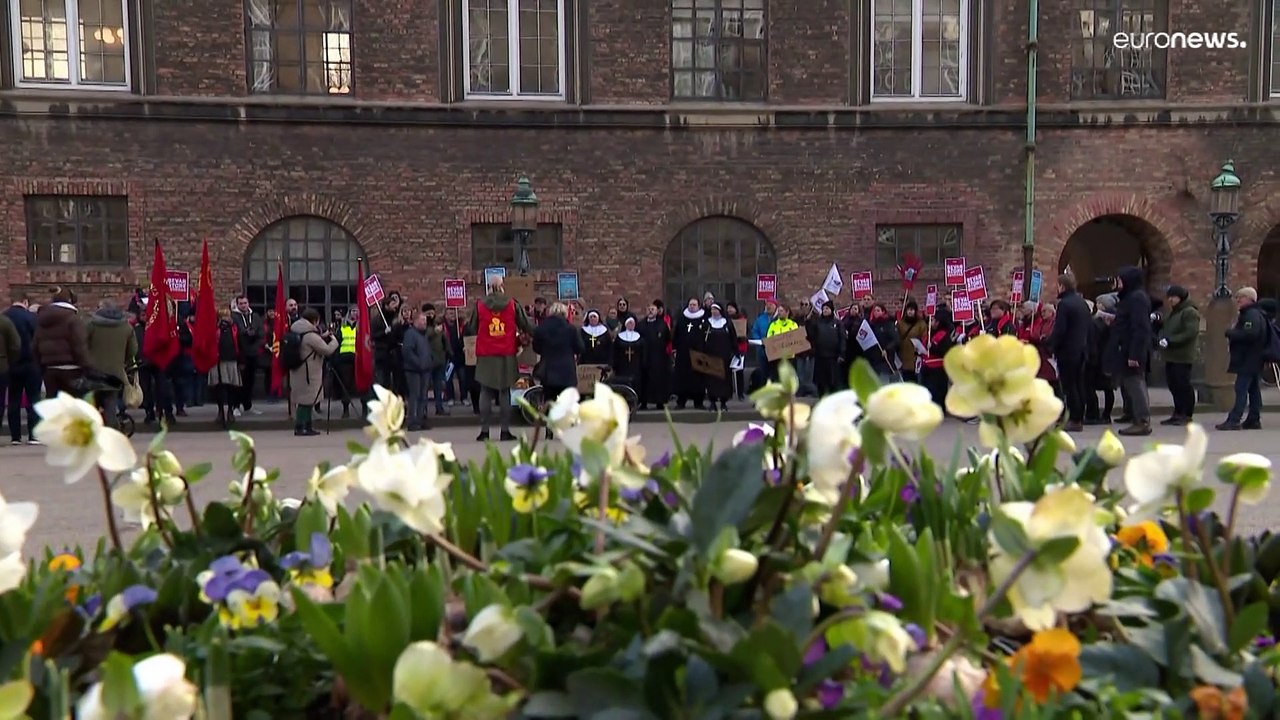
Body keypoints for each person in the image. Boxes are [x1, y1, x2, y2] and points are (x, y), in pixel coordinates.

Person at [466, 275, 534, 442]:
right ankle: (504, 430)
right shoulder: (512, 304)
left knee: (485, 391)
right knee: (504, 392)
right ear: (502, 286)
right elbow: (526, 325)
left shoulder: (480, 305)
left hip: (486, 353)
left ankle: (484, 431)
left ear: (489, 287)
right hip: (506, 353)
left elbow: (471, 327)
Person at [1105, 266, 1154, 436]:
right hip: (1124, 348)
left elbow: (1140, 328)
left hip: (1131, 350)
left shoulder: (1137, 298)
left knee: (1135, 384)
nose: (1117, 283)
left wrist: (1134, 354)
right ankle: (1136, 417)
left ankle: (1142, 421)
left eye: (1119, 279)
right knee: (1131, 384)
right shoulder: (1130, 298)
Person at [1217, 286, 1268, 431]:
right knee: (1253, 389)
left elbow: (1250, 334)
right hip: (1253, 359)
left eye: (1241, 297)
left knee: (1241, 389)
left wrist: (1231, 333)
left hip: (1248, 359)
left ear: (1250, 299)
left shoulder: (1251, 315)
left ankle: (1234, 419)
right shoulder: (1254, 313)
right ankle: (1254, 419)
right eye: (1237, 297)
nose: (1238, 300)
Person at [532, 302, 583, 439]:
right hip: (566, 369)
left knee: (549, 399)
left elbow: (536, 347)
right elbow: (580, 347)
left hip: (549, 369)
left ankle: (549, 430)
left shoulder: (541, 328)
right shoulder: (570, 329)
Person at [1047, 274, 1092, 432]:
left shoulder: (1064, 304)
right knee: (1078, 384)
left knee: (1069, 386)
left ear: (1062, 286)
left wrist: (1051, 345)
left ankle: (1074, 418)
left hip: (1067, 351)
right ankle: (1079, 416)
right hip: (1081, 349)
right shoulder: (1082, 303)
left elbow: (1060, 329)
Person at [85, 299, 136, 429]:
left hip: (93, 373)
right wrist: (122, 361)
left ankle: (92, 432)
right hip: (115, 374)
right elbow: (133, 350)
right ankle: (112, 433)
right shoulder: (126, 327)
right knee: (110, 405)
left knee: (92, 406)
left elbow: (82, 345)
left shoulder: (91, 325)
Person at [288, 307, 340, 437]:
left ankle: (305, 426)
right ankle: (302, 427)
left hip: (298, 370)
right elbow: (326, 350)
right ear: (315, 320)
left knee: (303, 399)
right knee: (307, 400)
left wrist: (322, 336)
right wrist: (334, 340)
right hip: (309, 372)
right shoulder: (310, 335)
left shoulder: (297, 330)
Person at [33, 285, 91, 397]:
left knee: (54, 404)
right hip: (72, 369)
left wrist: (40, 367)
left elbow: (35, 346)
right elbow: (79, 346)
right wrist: (87, 366)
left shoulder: (41, 320)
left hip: (49, 369)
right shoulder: (74, 319)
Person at [1157, 285, 1201, 427]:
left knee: (1183, 385)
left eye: (1173, 297)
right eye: (1169, 297)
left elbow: (1190, 332)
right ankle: (1177, 412)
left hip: (1183, 355)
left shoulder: (1189, 312)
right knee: (1173, 385)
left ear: (1180, 297)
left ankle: (1186, 414)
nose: (1170, 300)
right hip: (1172, 355)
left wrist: (1171, 340)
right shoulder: (1174, 312)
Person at [4, 298, 39, 445]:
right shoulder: (31, 318)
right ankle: (33, 435)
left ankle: (15, 436)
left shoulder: (4, 316)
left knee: (13, 400)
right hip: (32, 364)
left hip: (11, 364)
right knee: (33, 400)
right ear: (25, 302)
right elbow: (37, 339)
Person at [208, 307, 243, 429]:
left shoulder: (234, 328)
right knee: (219, 388)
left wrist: (241, 359)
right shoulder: (215, 329)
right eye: (223, 316)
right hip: (217, 361)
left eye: (227, 316)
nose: (225, 318)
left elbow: (240, 342)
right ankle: (220, 411)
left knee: (232, 388)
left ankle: (230, 410)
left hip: (231, 360)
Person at [232, 295, 265, 417]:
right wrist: (246, 333)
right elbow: (237, 333)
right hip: (241, 353)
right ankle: (235, 406)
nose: (243, 306)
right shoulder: (234, 316)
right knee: (239, 381)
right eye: (241, 303)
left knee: (250, 381)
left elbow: (261, 333)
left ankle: (248, 405)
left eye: (245, 303)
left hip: (253, 353)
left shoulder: (255, 316)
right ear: (237, 305)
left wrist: (255, 342)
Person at [402, 311, 435, 432]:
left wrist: (430, 361)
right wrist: (419, 363)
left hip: (425, 370)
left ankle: (420, 419)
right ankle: (413, 421)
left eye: (425, 320)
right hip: (413, 370)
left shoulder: (423, 335)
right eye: (422, 320)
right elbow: (408, 352)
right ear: (415, 321)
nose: (425, 322)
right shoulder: (410, 334)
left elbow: (426, 351)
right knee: (414, 396)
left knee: (423, 396)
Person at [673, 297, 708, 409]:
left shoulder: (704, 318)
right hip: (683, 354)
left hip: (699, 353)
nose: (692, 306)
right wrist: (675, 348)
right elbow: (676, 334)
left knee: (698, 378)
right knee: (682, 378)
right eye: (690, 304)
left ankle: (698, 402)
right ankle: (681, 402)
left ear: (698, 306)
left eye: (694, 304)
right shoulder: (682, 318)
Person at [701, 304, 737, 411]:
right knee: (711, 380)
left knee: (724, 380)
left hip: (724, 357)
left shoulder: (727, 323)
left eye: (715, 309)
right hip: (710, 356)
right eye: (712, 310)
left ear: (720, 311)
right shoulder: (707, 323)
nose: (713, 311)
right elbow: (702, 339)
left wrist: (735, 352)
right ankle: (712, 402)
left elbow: (733, 338)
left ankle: (723, 403)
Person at [637, 302, 672, 411]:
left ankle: (660, 402)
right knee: (645, 380)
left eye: (653, 309)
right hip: (645, 357)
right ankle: (644, 402)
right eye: (649, 309)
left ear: (657, 311)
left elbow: (668, 339)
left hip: (659, 357)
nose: (651, 311)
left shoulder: (662, 325)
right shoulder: (641, 325)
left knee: (658, 380)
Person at [920, 309, 955, 408]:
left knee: (937, 391)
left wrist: (933, 348)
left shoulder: (944, 334)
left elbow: (945, 351)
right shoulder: (930, 333)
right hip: (926, 365)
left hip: (937, 367)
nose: (931, 322)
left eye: (933, 320)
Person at [810, 301, 846, 396]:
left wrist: (842, 353)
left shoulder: (838, 323)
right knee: (821, 381)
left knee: (833, 381)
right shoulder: (817, 322)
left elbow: (842, 338)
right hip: (820, 356)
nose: (825, 310)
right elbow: (812, 336)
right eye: (824, 309)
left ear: (831, 310)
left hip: (833, 357)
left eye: (827, 308)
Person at [421, 304, 449, 417]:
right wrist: (434, 332)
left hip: (439, 359)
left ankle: (439, 407)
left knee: (439, 386)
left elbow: (444, 340)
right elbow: (424, 337)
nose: (431, 316)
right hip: (428, 360)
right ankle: (423, 409)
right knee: (425, 386)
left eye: (432, 313)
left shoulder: (438, 325)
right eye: (428, 314)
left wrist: (448, 352)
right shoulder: (422, 327)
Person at [333, 308, 359, 418]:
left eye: (357, 311)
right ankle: (345, 409)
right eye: (352, 310)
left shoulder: (361, 327)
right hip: (344, 359)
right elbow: (337, 342)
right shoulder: (343, 327)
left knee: (361, 383)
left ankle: (365, 409)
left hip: (358, 359)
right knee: (346, 385)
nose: (354, 313)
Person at [766, 303, 800, 381]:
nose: (779, 313)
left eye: (781, 311)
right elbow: (769, 338)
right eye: (779, 311)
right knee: (777, 378)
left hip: (789, 357)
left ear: (787, 312)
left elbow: (797, 339)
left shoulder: (793, 324)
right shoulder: (773, 324)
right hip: (776, 357)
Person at [896, 301, 927, 383]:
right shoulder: (900, 323)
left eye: (912, 310)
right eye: (908, 309)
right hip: (903, 355)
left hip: (916, 357)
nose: (910, 312)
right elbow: (896, 337)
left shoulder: (921, 324)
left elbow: (925, 338)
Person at [612, 316, 644, 388]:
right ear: (625, 324)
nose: (631, 325)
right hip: (622, 366)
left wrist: (643, 363)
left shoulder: (639, 337)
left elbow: (643, 351)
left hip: (636, 366)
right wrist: (615, 364)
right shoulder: (620, 337)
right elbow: (615, 352)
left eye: (632, 323)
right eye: (629, 323)